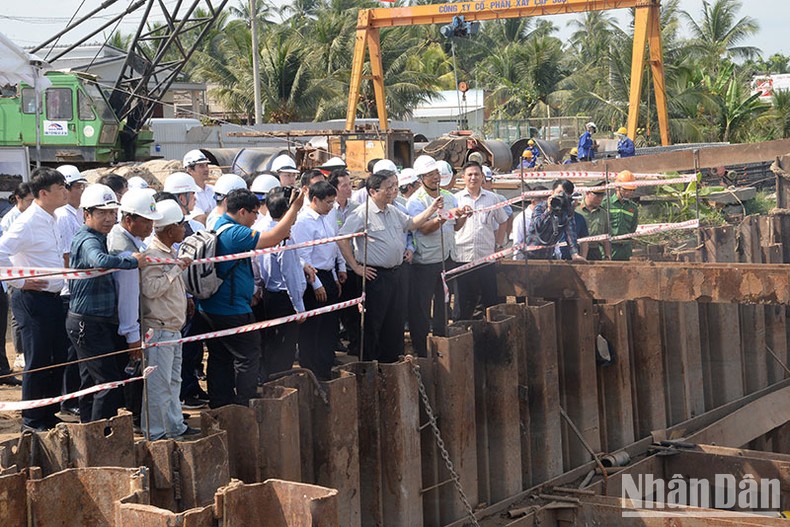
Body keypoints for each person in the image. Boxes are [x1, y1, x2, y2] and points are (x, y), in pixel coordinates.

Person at [198, 187, 305, 408]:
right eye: (255, 213)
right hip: (231, 308)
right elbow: (275, 237)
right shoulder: (235, 233)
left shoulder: (218, 224)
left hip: (212, 306)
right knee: (248, 354)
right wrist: (294, 208)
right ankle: (245, 402)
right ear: (243, 212)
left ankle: (221, 404)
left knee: (220, 356)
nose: (257, 218)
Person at [337, 170, 443, 362]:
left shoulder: (393, 210)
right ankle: (370, 365)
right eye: (388, 188)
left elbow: (411, 224)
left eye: (394, 186)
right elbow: (343, 239)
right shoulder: (362, 214)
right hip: (375, 276)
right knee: (373, 323)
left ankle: (391, 362)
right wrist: (355, 266)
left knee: (395, 321)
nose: (393, 191)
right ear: (372, 192)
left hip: (397, 273)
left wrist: (432, 209)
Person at [67, 184, 148, 423]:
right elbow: (98, 260)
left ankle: (89, 431)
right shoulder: (88, 240)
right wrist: (132, 262)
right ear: (87, 214)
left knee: (92, 381)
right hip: (87, 322)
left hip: (92, 320)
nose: (108, 218)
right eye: (102, 213)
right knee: (107, 381)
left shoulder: (99, 237)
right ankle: (102, 435)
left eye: (112, 213)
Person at [0, 168, 69, 431]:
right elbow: (1, 252)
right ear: (44, 193)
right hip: (32, 299)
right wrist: (19, 281)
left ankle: (49, 412)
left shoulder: (53, 217)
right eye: (60, 188)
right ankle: (32, 419)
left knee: (58, 355)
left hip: (52, 298)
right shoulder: (27, 222)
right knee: (38, 359)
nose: (65, 192)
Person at [140, 199, 200, 440]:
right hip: (159, 328)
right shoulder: (153, 254)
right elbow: (151, 289)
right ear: (169, 229)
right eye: (181, 225)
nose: (184, 229)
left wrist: (186, 297)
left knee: (173, 381)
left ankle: (175, 426)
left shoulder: (169, 252)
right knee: (158, 385)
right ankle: (155, 433)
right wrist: (176, 269)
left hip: (173, 327)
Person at [107, 189, 162, 426]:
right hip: (124, 322)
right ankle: (135, 417)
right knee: (131, 370)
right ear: (129, 220)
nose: (151, 226)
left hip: (124, 321)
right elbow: (127, 295)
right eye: (146, 221)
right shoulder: (123, 247)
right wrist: (131, 334)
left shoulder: (130, 240)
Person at [407, 155, 468, 357]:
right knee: (422, 306)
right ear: (421, 178)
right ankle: (421, 346)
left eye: (436, 174)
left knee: (443, 301)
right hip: (425, 261)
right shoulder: (416, 201)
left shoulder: (449, 196)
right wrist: (442, 216)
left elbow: (455, 227)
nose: (435, 178)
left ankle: (441, 340)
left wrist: (463, 216)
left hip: (446, 257)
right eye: (430, 175)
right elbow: (423, 229)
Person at [291, 181, 345, 380]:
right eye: (328, 202)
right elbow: (302, 255)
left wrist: (334, 275)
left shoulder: (327, 217)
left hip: (327, 274)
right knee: (313, 328)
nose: (331, 206)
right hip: (312, 277)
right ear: (315, 199)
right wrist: (316, 284)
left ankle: (324, 365)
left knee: (329, 326)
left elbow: (331, 246)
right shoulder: (304, 221)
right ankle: (311, 370)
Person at [253, 189, 308, 381]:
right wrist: (299, 307)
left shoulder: (264, 230)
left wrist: (258, 286)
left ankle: (268, 378)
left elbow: (257, 265)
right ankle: (279, 383)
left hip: (269, 294)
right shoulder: (284, 238)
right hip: (284, 298)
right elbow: (290, 275)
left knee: (271, 343)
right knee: (284, 346)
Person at [453, 161, 512, 320]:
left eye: (477, 174)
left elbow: (503, 220)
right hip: (462, 257)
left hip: (486, 257)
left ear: (483, 177)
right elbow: (450, 226)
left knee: (490, 299)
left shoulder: (492, 198)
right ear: (463, 178)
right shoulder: (455, 199)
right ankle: (461, 333)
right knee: (463, 300)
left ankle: (492, 334)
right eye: (470, 175)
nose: (473, 178)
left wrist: (499, 246)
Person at [54, 165, 87, 416]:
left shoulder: (76, 213)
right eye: (77, 186)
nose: (81, 191)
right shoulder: (65, 216)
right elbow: (67, 256)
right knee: (71, 349)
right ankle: (69, 399)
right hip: (69, 290)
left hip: (74, 288)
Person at [1, 182, 34, 374]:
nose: (31, 204)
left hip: (28, 271)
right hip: (15, 273)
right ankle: (20, 351)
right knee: (17, 316)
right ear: (18, 199)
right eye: (29, 201)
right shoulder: (10, 220)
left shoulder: (30, 217)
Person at [329, 168, 360, 356]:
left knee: (354, 308)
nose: (349, 188)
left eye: (350, 184)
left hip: (352, 263)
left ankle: (356, 342)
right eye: (345, 185)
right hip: (333, 265)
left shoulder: (356, 208)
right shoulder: (328, 209)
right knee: (338, 308)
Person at [527, 179, 586, 261]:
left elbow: (570, 233)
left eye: (565, 194)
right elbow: (538, 226)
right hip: (530, 255)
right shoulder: (540, 207)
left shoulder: (567, 210)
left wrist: (574, 254)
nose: (561, 196)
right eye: (559, 192)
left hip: (548, 256)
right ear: (552, 192)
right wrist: (549, 210)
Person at [603, 170, 639, 260]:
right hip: (609, 249)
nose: (629, 193)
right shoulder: (605, 204)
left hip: (625, 250)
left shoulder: (633, 208)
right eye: (626, 189)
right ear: (617, 187)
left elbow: (632, 228)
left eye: (632, 190)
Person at [512, 185, 549, 260]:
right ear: (533, 201)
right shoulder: (521, 219)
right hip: (527, 259)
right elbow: (517, 244)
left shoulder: (549, 217)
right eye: (542, 202)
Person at [163, 172, 205, 237]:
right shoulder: (196, 228)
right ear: (182, 199)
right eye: (193, 193)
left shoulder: (160, 227)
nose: (195, 198)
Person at [577, 185, 611, 260]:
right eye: (597, 195)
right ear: (587, 193)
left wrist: (607, 255)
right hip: (577, 251)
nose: (600, 199)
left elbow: (606, 237)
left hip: (595, 252)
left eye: (602, 196)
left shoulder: (603, 214)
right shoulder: (576, 211)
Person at [183, 149, 215, 223]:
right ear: (190, 170)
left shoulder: (214, 190)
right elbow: (201, 219)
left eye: (206, 165)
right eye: (201, 166)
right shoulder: (188, 195)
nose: (206, 169)